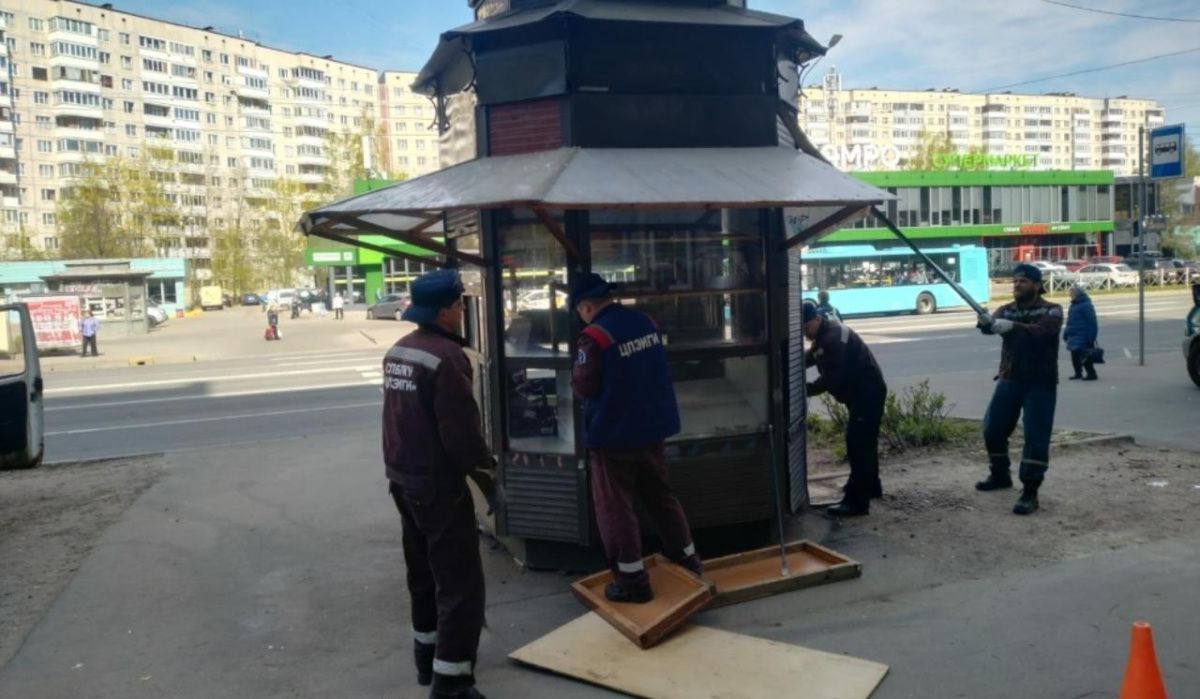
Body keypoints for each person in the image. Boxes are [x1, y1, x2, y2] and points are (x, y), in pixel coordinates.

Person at [383, 269, 493, 699]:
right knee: (460, 583)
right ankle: (453, 682)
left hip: (402, 479)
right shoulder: (446, 357)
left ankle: (426, 660)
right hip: (437, 486)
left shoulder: (400, 351)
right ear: (447, 310)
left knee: (423, 574)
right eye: (460, 304)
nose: (463, 310)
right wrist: (488, 476)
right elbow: (461, 434)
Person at [570, 272, 702, 604]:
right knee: (661, 497)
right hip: (652, 430)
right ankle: (688, 562)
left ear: (586, 306)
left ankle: (632, 583)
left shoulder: (594, 336)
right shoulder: (645, 322)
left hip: (614, 437)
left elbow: (584, 385)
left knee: (616, 510)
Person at [975, 264, 1064, 515]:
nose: (1017, 285)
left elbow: (1042, 333)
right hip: (1010, 378)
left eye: (1023, 281)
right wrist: (985, 322)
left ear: (1037, 285)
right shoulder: (1007, 310)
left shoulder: (1052, 310)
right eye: (1015, 281)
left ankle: (1030, 491)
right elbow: (992, 326)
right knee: (992, 429)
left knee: (1036, 438)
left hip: (1040, 383)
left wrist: (1010, 327)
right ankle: (1000, 474)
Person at [803, 300, 887, 517]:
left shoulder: (831, 339)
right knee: (865, 442)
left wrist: (803, 389)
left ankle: (856, 503)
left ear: (817, 319)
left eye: (806, 328)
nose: (805, 334)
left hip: (867, 393)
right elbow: (811, 357)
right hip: (865, 392)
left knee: (857, 444)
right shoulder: (825, 332)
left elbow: (830, 379)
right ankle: (871, 487)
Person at [1063, 284, 1099, 381]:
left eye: (1071, 294)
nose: (1070, 295)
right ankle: (1078, 373)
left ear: (1077, 294)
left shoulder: (1086, 305)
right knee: (1074, 356)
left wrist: (1092, 337)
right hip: (1074, 335)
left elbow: (1092, 322)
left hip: (1083, 335)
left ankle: (1091, 373)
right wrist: (1066, 333)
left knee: (1085, 355)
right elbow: (1069, 321)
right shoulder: (1073, 305)